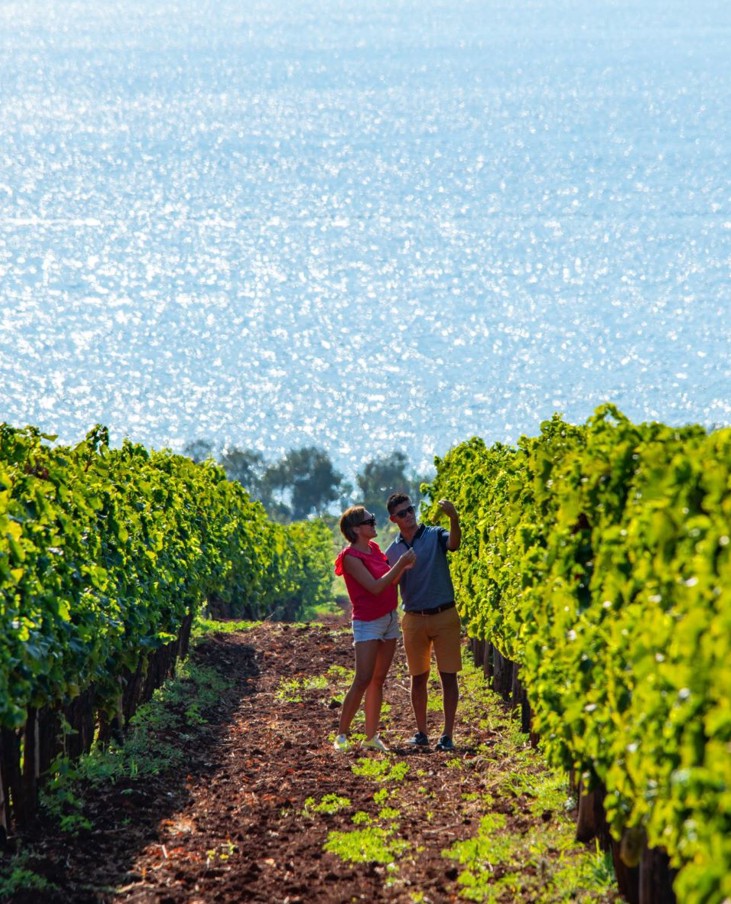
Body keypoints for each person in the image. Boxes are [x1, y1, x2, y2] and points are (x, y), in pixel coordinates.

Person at [333, 505, 417, 753]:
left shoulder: (375, 550)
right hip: (368, 622)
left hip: (389, 619)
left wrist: (402, 569)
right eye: (369, 521)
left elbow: (389, 581)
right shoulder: (350, 557)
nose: (374, 523)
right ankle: (341, 734)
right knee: (362, 678)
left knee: (377, 680)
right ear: (356, 529)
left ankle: (370, 736)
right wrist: (400, 564)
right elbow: (375, 587)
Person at [386, 493, 462, 751]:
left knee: (448, 676)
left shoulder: (434, 534)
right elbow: (388, 583)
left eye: (410, 509)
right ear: (394, 519)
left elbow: (453, 544)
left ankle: (447, 734)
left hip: (444, 615)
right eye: (403, 513)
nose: (409, 515)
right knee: (417, 678)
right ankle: (422, 733)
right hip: (414, 619)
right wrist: (400, 566)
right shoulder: (393, 551)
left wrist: (454, 519)